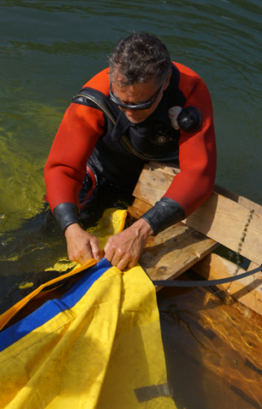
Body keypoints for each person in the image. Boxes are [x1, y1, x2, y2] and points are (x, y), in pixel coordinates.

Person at [44, 32, 217, 271]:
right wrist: (71, 229)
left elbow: (199, 173)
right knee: (48, 233)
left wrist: (140, 230)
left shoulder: (189, 92)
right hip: (101, 172)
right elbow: (62, 166)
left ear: (166, 82)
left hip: (159, 186)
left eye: (141, 105)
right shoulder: (94, 96)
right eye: (121, 103)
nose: (129, 113)